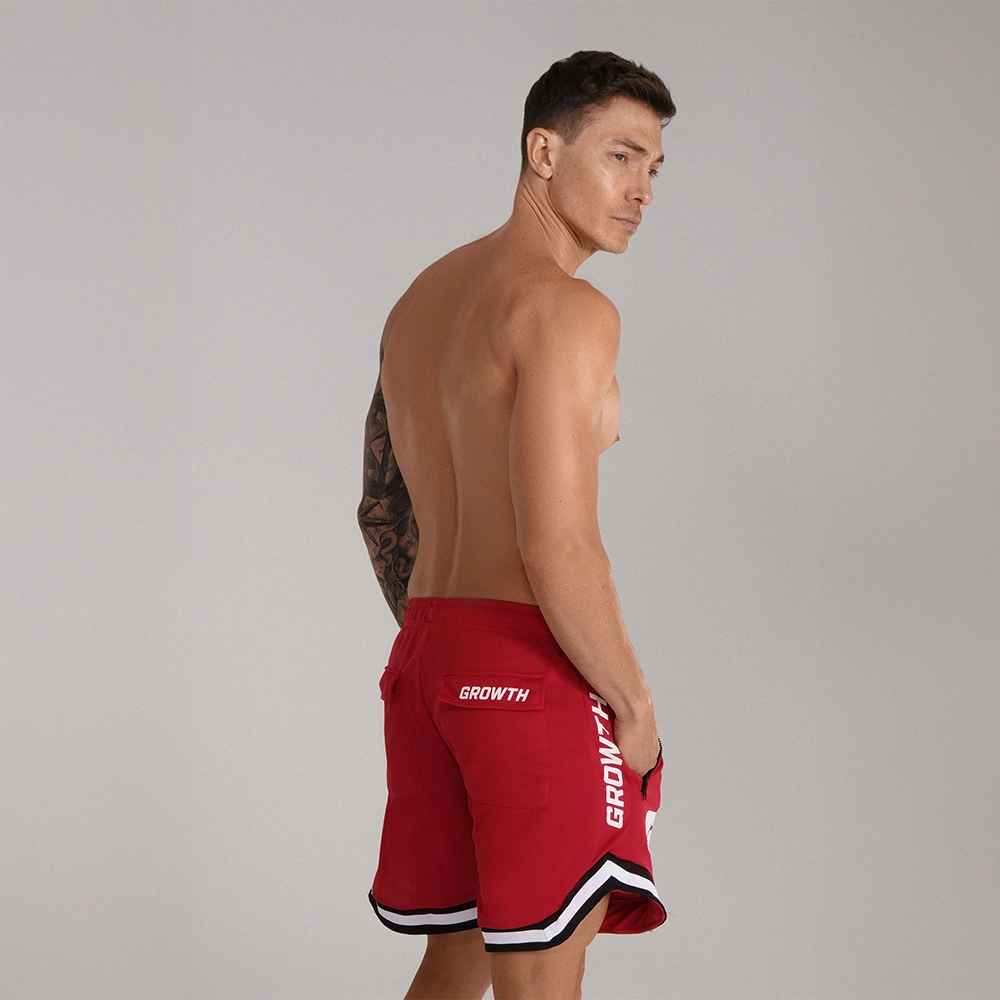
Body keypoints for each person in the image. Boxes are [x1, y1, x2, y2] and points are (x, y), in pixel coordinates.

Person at [357, 50, 676, 1000]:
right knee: (540, 980)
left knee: (454, 962)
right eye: (620, 156)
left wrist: (451, 662)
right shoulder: (568, 310)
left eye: (655, 168)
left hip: (426, 660)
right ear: (544, 151)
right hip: (529, 667)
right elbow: (556, 543)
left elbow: (380, 508)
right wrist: (634, 707)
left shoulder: (419, 301)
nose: (641, 190)